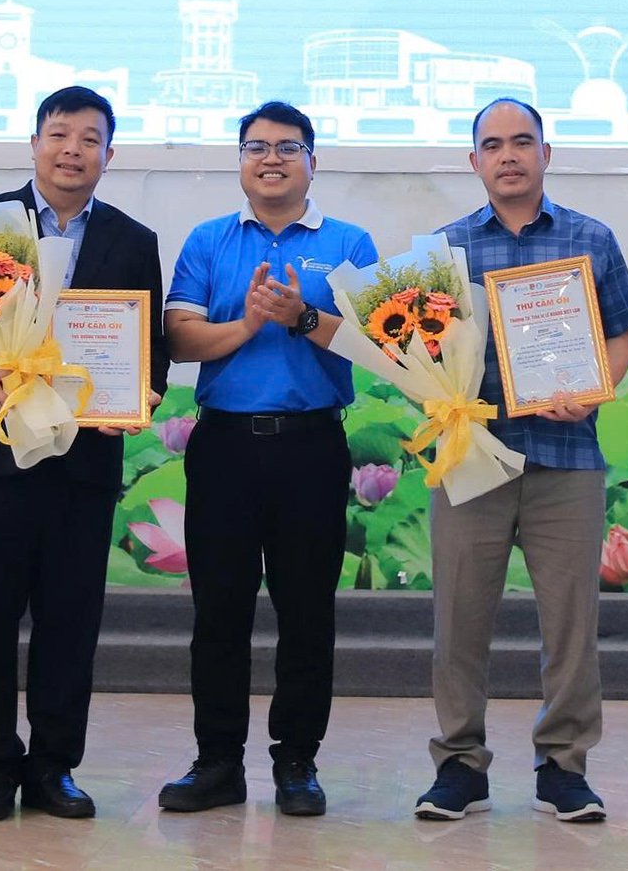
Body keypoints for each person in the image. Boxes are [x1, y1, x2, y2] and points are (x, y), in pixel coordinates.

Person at [0, 85, 166, 823]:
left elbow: (148, 347)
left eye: (89, 139)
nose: (72, 150)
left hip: (83, 459)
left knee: (70, 622)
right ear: (34, 142)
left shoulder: (133, 239)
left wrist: (140, 395)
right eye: (59, 134)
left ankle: (54, 767)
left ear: (109, 155)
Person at [413, 98, 628, 825]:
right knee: (459, 618)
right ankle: (458, 764)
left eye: (521, 141)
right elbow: (419, 350)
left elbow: (619, 336)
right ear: (473, 160)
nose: (508, 155)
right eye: (492, 144)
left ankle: (564, 767)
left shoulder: (590, 238)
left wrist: (592, 390)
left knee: (571, 623)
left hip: (566, 458)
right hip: (471, 456)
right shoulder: (444, 250)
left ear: (547, 152)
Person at [155, 102, 377, 818]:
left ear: (313, 159)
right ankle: (218, 761)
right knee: (218, 612)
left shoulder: (348, 242)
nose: (271, 158)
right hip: (224, 445)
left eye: (287, 146)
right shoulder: (209, 240)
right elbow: (179, 339)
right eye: (256, 146)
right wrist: (250, 322)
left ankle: (297, 761)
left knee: (307, 611)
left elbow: (376, 344)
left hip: (311, 445)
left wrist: (302, 318)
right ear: (241, 160)